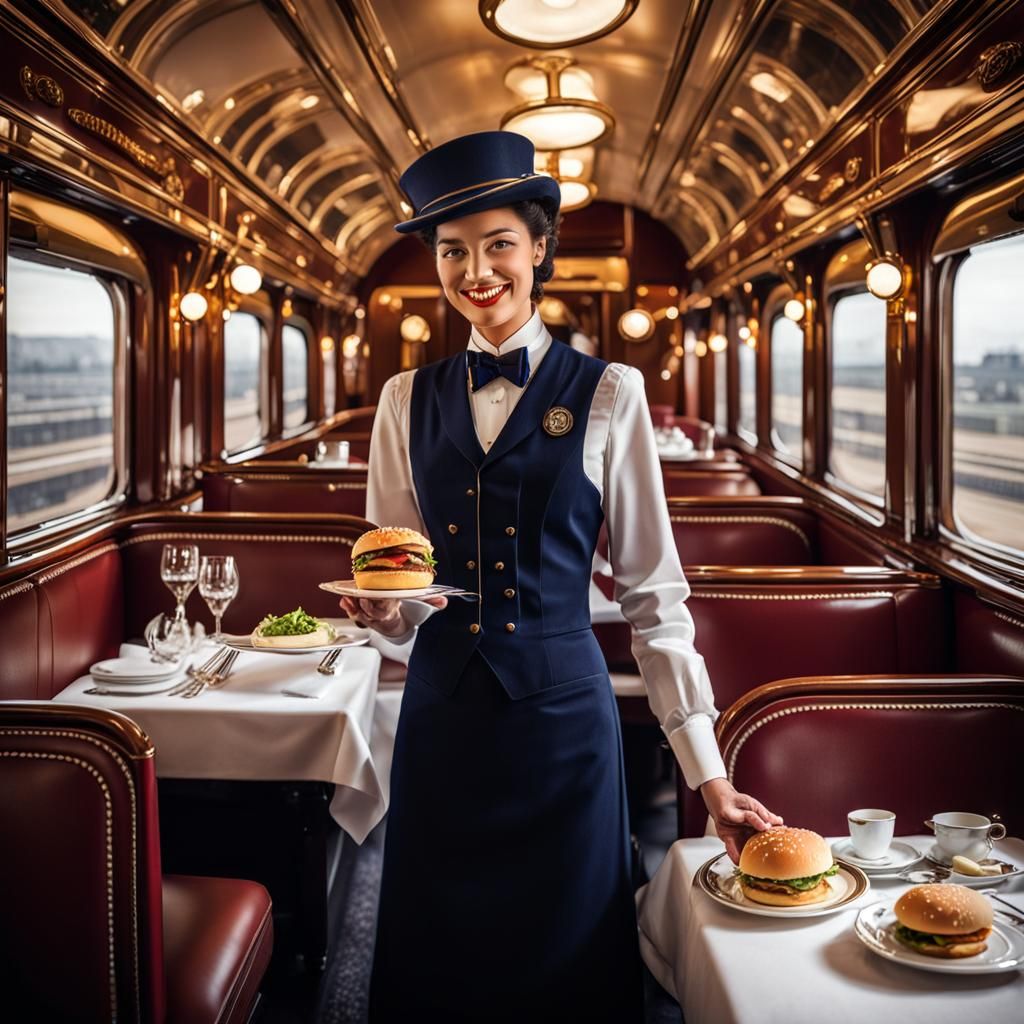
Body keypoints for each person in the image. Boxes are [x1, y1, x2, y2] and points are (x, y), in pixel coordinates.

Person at [340, 131, 782, 1023]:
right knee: (439, 967)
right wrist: (382, 615)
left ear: (540, 247)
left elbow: (655, 601)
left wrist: (708, 774)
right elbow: (399, 572)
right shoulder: (401, 399)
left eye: (498, 243)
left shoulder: (612, 391)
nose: (477, 271)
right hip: (440, 717)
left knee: (568, 963)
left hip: (563, 726)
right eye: (452, 250)